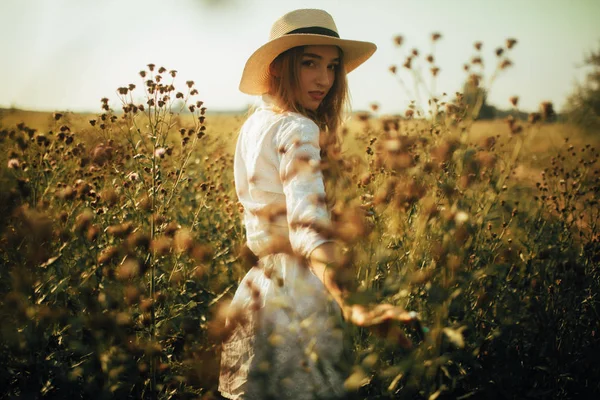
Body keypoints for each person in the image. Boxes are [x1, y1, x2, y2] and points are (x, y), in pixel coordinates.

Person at [219, 9, 416, 400]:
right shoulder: (298, 127)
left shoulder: (255, 123)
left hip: (257, 292)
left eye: (331, 66)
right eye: (309, 63)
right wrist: (351, 304)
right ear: (279, 68)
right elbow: (307, 228)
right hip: (297, 298)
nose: (324, 79)